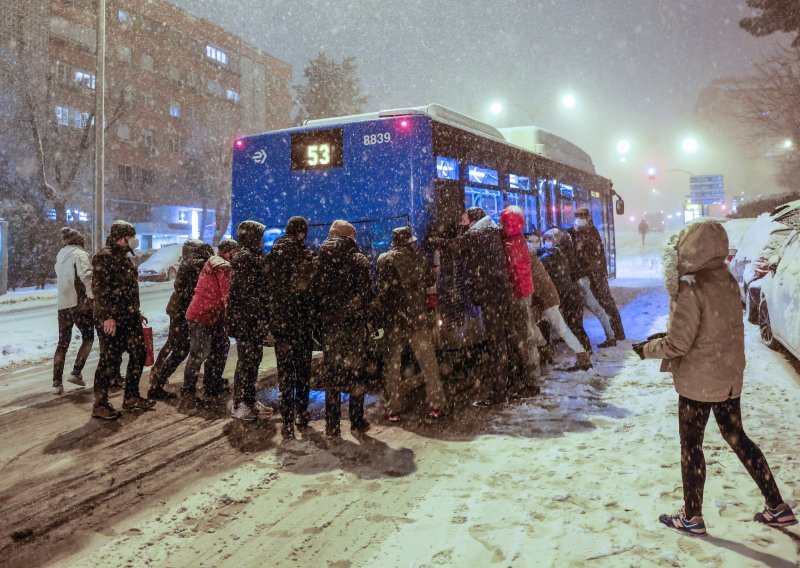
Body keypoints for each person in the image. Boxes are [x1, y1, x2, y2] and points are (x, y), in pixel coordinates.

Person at [633, 220, 797, 536]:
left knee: (691, 446)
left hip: (698, 381)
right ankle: (776, 506)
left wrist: (646, 349)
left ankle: (692, 516)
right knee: (738, 438)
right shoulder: (726, 279)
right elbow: (712, 329)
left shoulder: (691, 287)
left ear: (690, 248)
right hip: (728, 376)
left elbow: (679, 344)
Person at [431, 207, 513, 407]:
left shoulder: (478, 232)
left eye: (464, 218)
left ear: (473, 219)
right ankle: (503, 386)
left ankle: (499, 393)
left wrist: (436, 241)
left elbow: (458, 245)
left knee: (496, 342)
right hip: (497, 292)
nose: (462, 221)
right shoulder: (490, 231)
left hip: (491, 294)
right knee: (499, 340)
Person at [311, 220, 373, 439]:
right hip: (354, 327)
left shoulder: (320, 261)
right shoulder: (359, 260)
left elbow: (314, 294)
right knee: (357, 373)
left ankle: (332, 426)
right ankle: (356, 421)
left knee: (333, 375)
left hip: (330, 326)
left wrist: (324, 318)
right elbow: (366, 295)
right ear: (349, 237)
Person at [377, 226, 446, 421]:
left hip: (394, 321)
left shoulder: (384, 260)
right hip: (417, 318)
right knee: (428, 363)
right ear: (410, 242)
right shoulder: (419, 258)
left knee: (392, 366)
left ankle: (394, 409)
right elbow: (429, 280)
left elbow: (383, 290)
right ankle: (436, 405)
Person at [91, 220, 155, 419]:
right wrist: (108, 316)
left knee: (138, 352)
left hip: (128, 317)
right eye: (130, 237)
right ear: (121, 238)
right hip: (112, 320)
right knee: (109, 360)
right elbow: (100, 290)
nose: (133, 241)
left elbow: (127, 291)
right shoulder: (104, 257)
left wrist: (135, 312)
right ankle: (100, 405)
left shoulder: (125, 258)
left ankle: (131, 396)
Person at [267, 217, 316, 439]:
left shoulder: (273, 253)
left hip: (281, 322)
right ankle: (301, 412)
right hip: (300, 322)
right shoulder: (303, 253)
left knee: (285, 371)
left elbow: (267, 287)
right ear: (301, 232)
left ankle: (286, 419)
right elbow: (309, 287)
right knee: (302, 370)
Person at [148, 239, 213, 400]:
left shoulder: (187, 263)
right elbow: (190, 290)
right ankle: (158, 382)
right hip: (183, 312)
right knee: (180, 349)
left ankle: (158, 378)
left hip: (180, 310)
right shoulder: (194, 264)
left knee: (177, 346)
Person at [180, 239, 239, 409]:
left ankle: (212, 384)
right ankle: (188, 393)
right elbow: (226, 293)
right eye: (234, 251)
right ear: (228, 252)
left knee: (221, 346)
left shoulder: (218, 262)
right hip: (201, 315)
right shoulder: (221, 265)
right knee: (199, 353)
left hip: (212, 316)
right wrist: (231, 311)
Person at [227, 220, 270, 421]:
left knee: (254, 360)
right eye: (260, 235)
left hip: (252, 320)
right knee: (246, 362)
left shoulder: (254, 257)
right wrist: (260, 312)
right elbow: (247, 293)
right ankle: (240, 403)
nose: (262, 239)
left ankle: (250, 400)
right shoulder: (245, 259)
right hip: (245, 320)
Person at [529, 239, 591, 372]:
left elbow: (536, 284)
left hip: (547, 300)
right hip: (548, 298)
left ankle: (581, 355)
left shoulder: (530, 261)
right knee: (535, 326)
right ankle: (547, 350)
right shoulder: (535, 259)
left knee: (561, 329)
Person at [498, 206, 541, 397]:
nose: (500, 225)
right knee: (524, 336)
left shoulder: (512, 243)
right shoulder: (516, 239)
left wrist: (512, 293)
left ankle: (531, 383)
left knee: (524, 338)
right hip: (523, 293)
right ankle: (528, 379)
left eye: (502, 222)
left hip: (519, 294)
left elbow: (514, 271)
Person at [570, 207, 625, 341]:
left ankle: (618, 333)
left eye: (583, 215)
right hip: (587, 274)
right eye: (577, 215)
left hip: (596, 274)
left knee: (606, 302)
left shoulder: (590, 231)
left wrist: (581, 247)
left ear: (588, 217)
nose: (580, 218)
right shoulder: (576, 231)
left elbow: (590, 254)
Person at [52, 227, 94, 395]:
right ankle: (76, 372)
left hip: (63, 304)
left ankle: (56, 383)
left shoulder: (60, 257)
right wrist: (92, 295)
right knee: (89, 336)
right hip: (79, 304)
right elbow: (86, 276)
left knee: (62, 343)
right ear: (79, 241)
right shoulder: (80, 254)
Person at [539, 229, 593, 352]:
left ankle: (585, 351)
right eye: (546, 239)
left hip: (569, 295)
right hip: (571, 293)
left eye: (550, 239)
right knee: (574, 324)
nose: (547, 241)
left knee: (575, 325)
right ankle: (585, 349)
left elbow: (544, 259)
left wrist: (531, 252)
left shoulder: (552, 254)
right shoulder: (559, 251)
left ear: (556, 240)